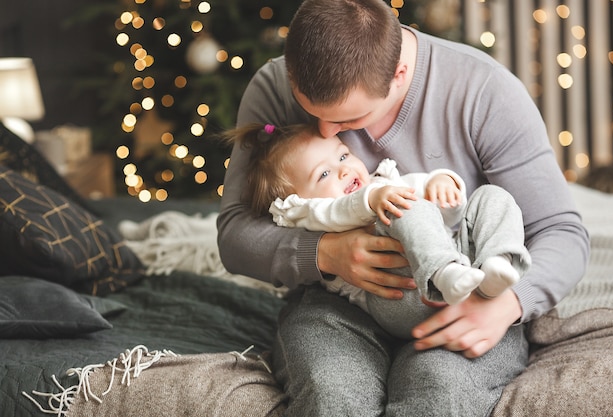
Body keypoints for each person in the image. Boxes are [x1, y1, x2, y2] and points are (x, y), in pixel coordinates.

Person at [217, 0, 590, 415]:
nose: (326, 132)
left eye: (349, 119)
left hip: (464, 298)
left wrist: (507, 304)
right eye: (309, 112)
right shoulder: (273, 86)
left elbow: (561, 231)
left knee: (438, 391)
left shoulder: (484, 91)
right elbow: (234, 234)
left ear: (399, 76)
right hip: (339, 305)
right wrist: (325, 253)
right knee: (330, 392)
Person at [224, 122, 531, 338]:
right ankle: (445, 275)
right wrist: (372, 200)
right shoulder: (307, 213)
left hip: (465, 270)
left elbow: (441, 211)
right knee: (401, 207)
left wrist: (440, 184)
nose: (345, 169)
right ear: (295, 200)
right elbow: (336, 214)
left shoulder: (380, 184)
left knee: (493, 196)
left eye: (343, 155)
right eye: (325, 173)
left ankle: (497, 264)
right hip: (400, 298)